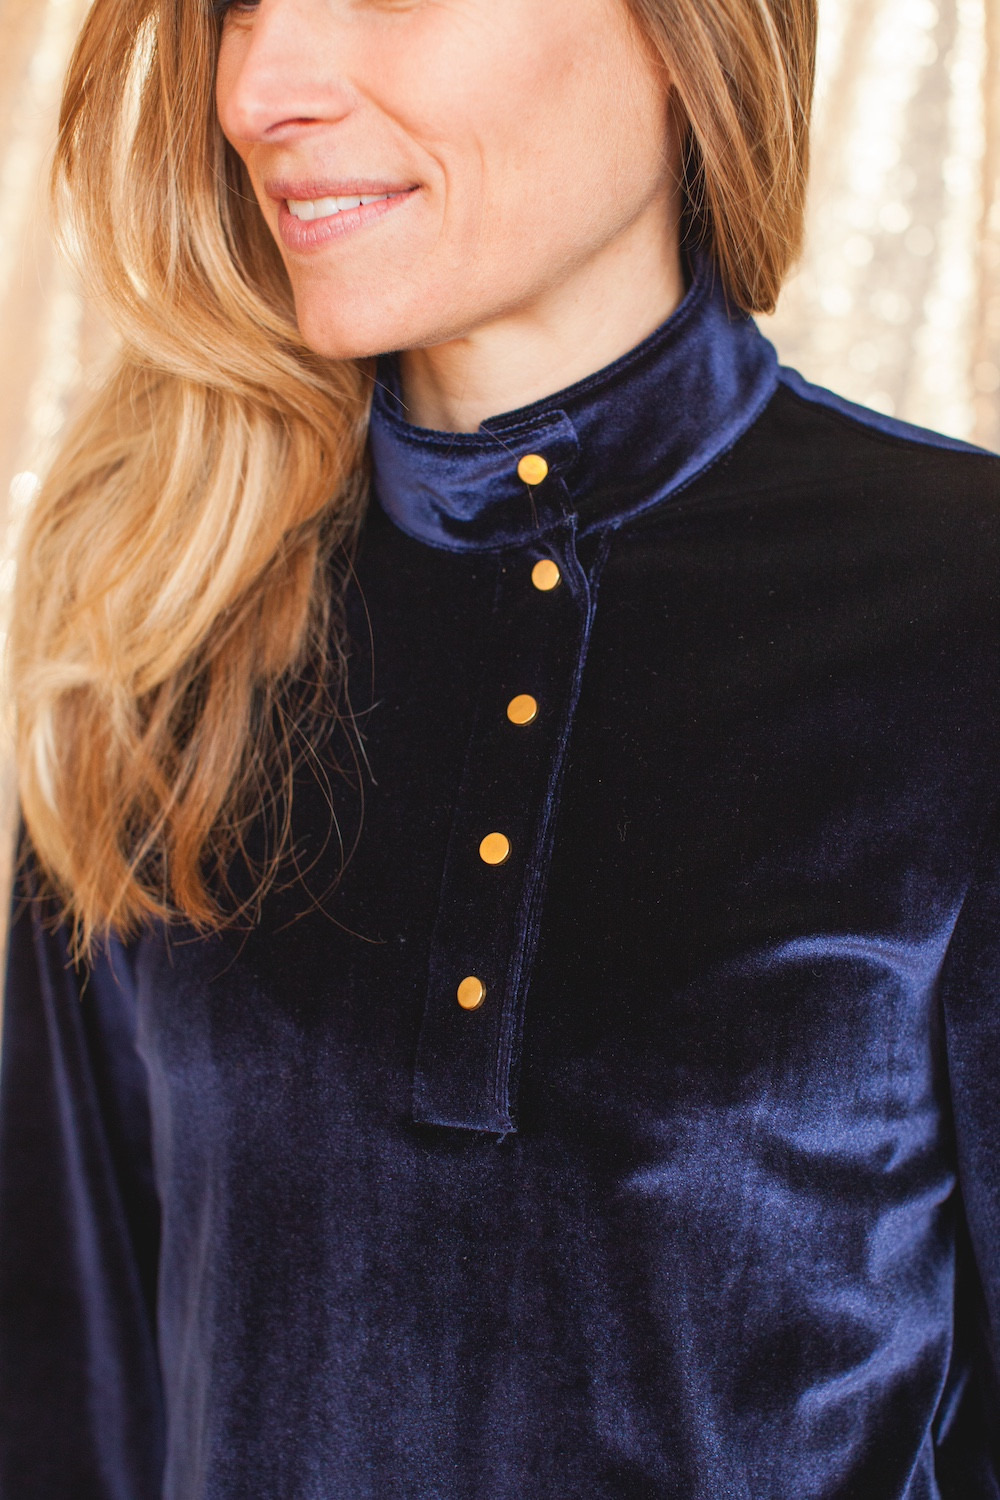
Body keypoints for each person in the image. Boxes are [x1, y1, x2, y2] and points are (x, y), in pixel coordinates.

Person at [0, 0, 997, 1494]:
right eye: (238, 5)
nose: (260, 87)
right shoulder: (164, 620)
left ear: (684, 35)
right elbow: (68, 1412)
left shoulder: (965, 605)